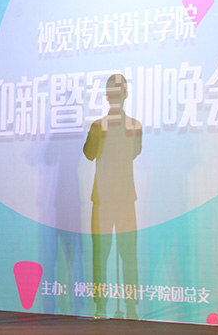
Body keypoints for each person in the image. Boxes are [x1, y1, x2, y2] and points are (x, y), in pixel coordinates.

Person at [83, 74, 141, 319]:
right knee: (103, 252)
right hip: (106, 198)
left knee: (126, 252)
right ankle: (103, 305)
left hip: (120, 196)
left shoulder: (133, 126)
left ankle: (127, 306)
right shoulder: (100, 126)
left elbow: (133, 152)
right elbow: (89, 153)